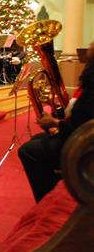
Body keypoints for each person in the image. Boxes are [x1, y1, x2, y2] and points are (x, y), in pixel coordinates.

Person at [18, 41, 94, 203]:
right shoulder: (90, 78)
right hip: (82, 137)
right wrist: (59, 114)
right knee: (36, 140)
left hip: (85, 146)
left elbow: (83, 125)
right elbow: (80, 115)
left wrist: (56, 123)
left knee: (28, 151)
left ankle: (48, 199)